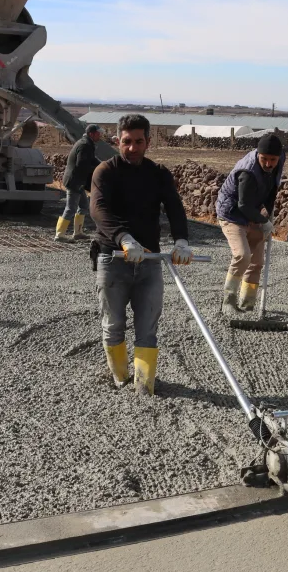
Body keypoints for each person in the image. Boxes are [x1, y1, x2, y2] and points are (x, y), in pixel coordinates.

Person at [90, 114, 193, 396]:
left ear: (148, 141)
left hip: (149, 262)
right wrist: (124, 239)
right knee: (113, 324)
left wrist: (181, 240)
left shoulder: (158, 174)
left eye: (138, 142)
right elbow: (99, 211)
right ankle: (120, 379)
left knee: (148, 326)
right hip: (114, 260)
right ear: (117, 141)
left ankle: (144, 386)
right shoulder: (105, 172)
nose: (132, 148)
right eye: (126, 142)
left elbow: (174, 207)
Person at [215, 134, 286, 315]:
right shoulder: (247, 172)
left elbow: (272, 189)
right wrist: (263, 221)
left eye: (273, 160)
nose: (269, 164)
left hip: (252, 211)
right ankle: (228, 301)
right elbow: (243, 205)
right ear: (258, 155)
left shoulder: (279, 159)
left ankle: (247, 305)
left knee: (256, 262)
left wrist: (267, 216)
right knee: (242, 255)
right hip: (231, 213)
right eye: (264, 159)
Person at [55, 124, 102, 242]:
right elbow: (82, 164)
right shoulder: (84, 145)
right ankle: (59, 235)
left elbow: (92, 159)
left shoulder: (87, 144)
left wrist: (102, 165)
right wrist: (96, 170)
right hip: (74, 181)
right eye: (98, 133)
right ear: (91, 134)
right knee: (70, 208)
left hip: (78, 181)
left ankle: (78, 233)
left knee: (84, 206)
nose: (100, 136)